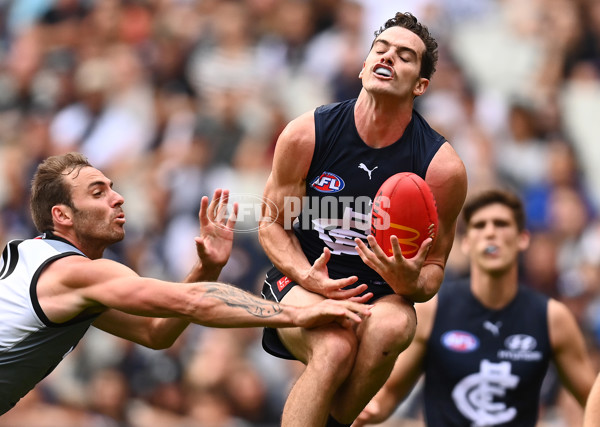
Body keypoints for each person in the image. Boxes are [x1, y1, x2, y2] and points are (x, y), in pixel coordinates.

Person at [0, 152, 373, 415]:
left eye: (111, 187)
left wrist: (205, 268)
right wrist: (298, 313)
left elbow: (155, 333)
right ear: (61, 215)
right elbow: (194, 303)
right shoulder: (73, 272)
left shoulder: (37, 262)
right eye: (98, 193)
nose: (118, 197)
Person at [258, 11, 468, 427]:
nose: (388, 57)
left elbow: (435, 269)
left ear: (421, 85)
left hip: (383, 294)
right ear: (363, 66)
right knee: (334, 347)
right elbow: (270, 224)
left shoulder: (441, 168)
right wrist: (308, 276)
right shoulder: (307, 134)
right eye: (381, 48)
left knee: (391, 329)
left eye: (405, 56)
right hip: (303, 279)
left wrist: (410, 282)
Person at [354, 189, 595, 426]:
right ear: (467, 243)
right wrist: (355, 414)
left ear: (523, 239)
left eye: (501, 224)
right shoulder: (433, 310)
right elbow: (389, 394)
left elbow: (591, 398)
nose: (490, 233)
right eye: (480, 226)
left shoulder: (552, 317)